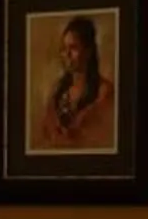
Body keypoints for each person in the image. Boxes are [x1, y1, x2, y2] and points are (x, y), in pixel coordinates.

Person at [29, 14, 116, 150]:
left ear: (88, 51)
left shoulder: (104, 91)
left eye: (73, 48)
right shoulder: (58, 90)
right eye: (64, 49)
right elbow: (45, 132)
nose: (67, 54)